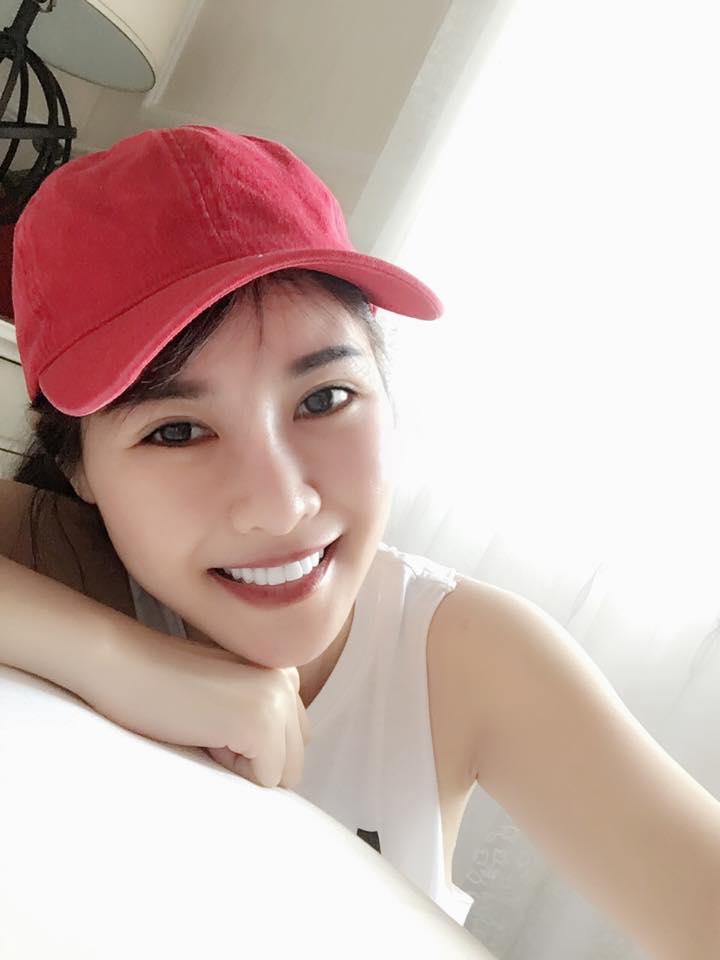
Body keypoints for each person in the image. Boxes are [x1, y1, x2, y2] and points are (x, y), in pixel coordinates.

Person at [0, 125, 718, 958]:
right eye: (177, 431)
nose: (281, 506)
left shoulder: (460, 656)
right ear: (76, 464)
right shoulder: (53, 552)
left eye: (324, 399)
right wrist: (119, 661)